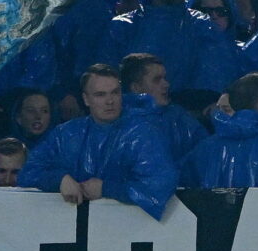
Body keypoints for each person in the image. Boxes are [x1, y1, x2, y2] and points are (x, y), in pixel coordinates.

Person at [21, 64, 179, 212]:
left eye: (115, 93)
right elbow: (27, 173)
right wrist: (59, 179)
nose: (109, 101)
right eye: (100, 95)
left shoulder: (143, 133)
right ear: (85, 99)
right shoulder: (65, 134)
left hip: (128, 231)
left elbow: (160, 185)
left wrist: (106, 189)